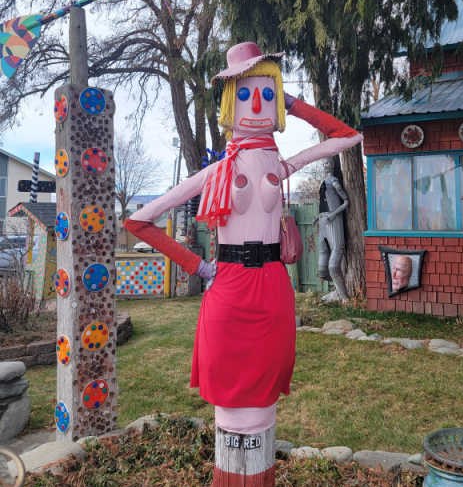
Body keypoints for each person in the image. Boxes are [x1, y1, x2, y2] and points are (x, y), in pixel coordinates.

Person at [124, 40, 362, 443]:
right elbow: (138, 221)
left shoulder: (282, 165)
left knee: (265, 398)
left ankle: (256, 483)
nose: (257, 106)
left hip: (271, 286)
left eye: (266, 95)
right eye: (247, 94)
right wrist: (197, 267)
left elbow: (347, 135)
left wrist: (291, 102)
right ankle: (235, 483)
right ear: (231, 103)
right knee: (230, 409)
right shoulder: (216, 172)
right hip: (228, 287)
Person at [317, 160, 350, 302]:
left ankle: (344, 298)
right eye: (323, 163)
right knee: (322, 270)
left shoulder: (334, 182)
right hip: (323, 221)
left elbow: (346, 201)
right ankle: (336, 291)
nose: (325, 165)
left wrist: (334, 214)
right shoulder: (322, 182)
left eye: (327, 163)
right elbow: (323, 202)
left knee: (333, 266)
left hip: (333, 221)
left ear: (332, 165)